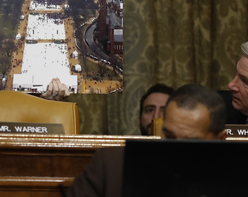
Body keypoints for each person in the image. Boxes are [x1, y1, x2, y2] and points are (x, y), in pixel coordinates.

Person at [66, 84, 227, 197]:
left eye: (191, 142)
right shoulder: (111, 165)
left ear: (220, 140)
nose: (174, 150)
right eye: (169, 136)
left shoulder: (236, 178)